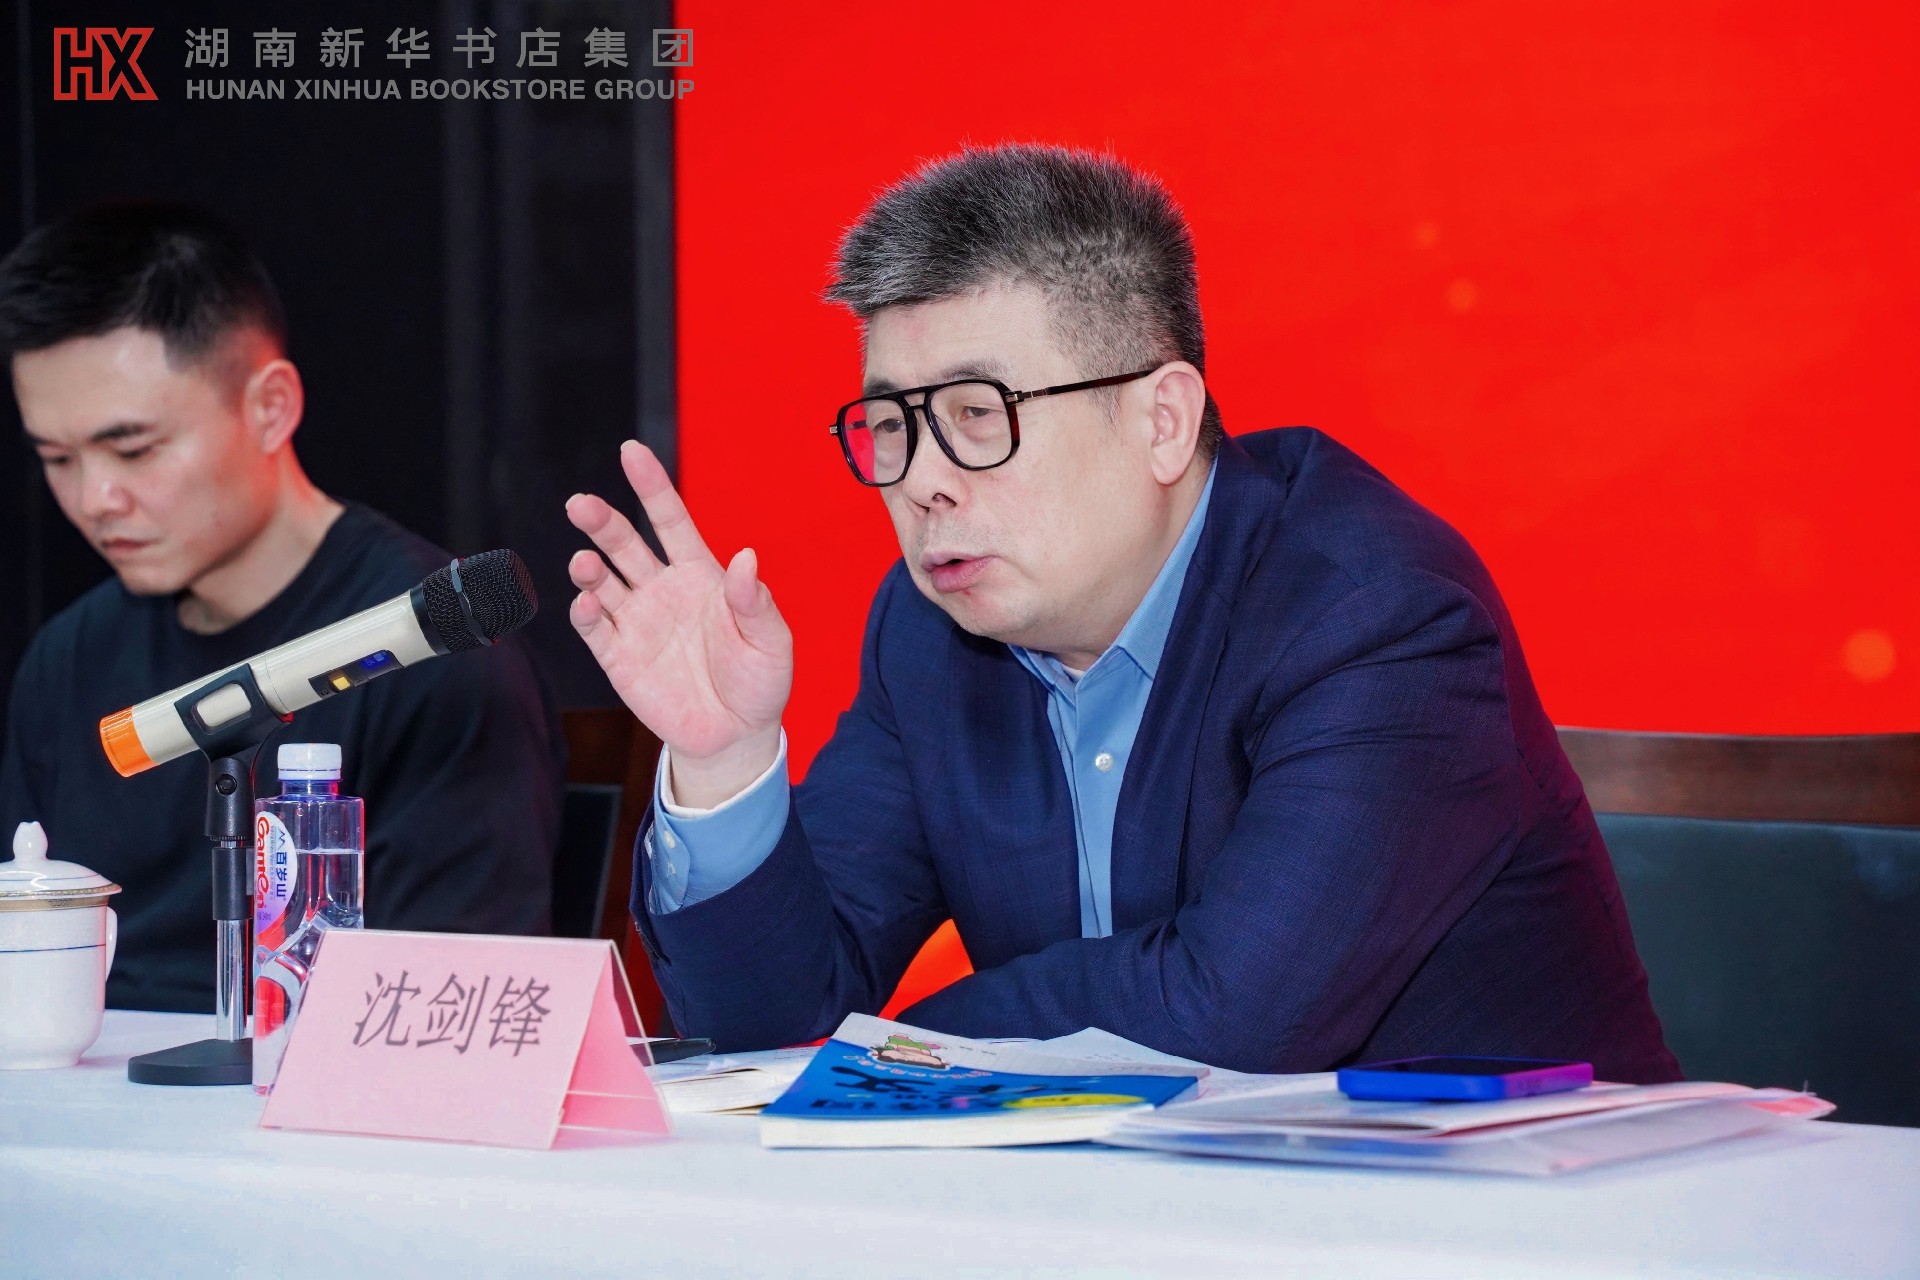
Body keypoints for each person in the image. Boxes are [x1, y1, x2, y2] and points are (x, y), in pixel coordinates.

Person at [565, 145, 1679, 1081]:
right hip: (1116, 1211)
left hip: (1500, 1218)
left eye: (977, 413)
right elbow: (770, 1022)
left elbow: (1235, 1014)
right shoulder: (932, 632)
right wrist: (724, 762)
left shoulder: (1375, 616)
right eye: (892, 425)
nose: (923, 481)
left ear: (1162, 421)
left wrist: (896, 1048)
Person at [0, 201, 565, 1013]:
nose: (95, 499)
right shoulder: (67, 659)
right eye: (58, 458)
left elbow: (454, 1007)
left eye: (133, 449)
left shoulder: (428, 648)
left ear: (270, 407)